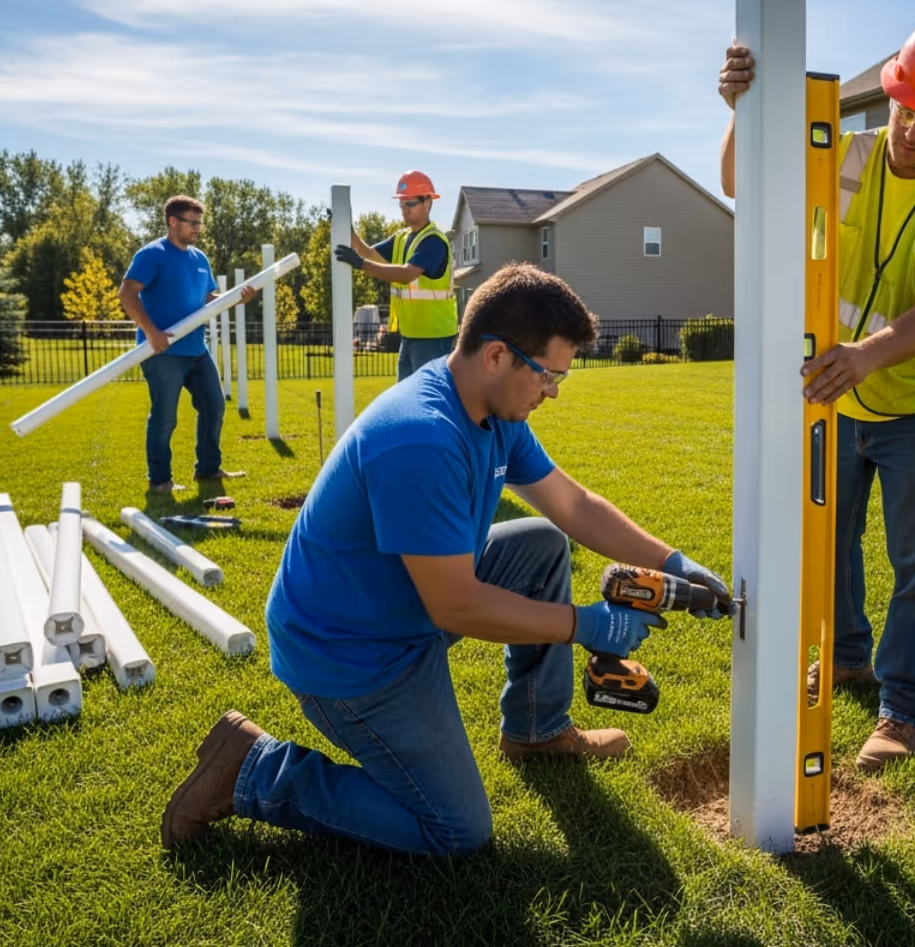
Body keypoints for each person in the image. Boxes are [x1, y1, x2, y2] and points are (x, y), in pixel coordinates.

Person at [161, 264, 730, 855]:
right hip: (350, 653)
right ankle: (251, 769)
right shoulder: (422, 437)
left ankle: (536, 730)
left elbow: (574, 505)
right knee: (456, 829)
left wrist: (675, 562)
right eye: (549, 375)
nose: (553, 391)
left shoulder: (491, 411)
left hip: (396, 609)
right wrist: (588, 624)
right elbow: (457, 604)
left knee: (540, 544)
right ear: (496, 357)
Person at [718, 10, 915, 772]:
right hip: (841, 397)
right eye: (907, 108)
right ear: (890, 94)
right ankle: (846, 657)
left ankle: (904, 707)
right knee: (829, 544)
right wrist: (740, 116)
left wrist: (864, 355)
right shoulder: (841, 155)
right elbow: (739, 185)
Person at [119, 194, 255, 493]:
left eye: (199, 224)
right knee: (165, 417)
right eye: (192, 223)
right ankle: (160, 481)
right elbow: (127, 294)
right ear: (172, 221)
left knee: (214, 405)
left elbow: (208, 299)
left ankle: (207, 469)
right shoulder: (152, 254)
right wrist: (152, 332)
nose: (197, 229)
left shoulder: (199, 258)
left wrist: (236, 298)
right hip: (162, 351)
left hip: (196, 348)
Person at [335, 171, 458, 381]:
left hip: (433, 336)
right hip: (411, 335)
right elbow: (369, 252)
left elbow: (406, 275)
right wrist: (347, 228)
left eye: (409, 204)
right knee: (407, 397)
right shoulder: (402, 237)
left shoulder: (433, 241)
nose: (404, 210)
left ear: (427, 203)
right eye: (401, 205)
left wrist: (361, 264)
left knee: (426, 399)